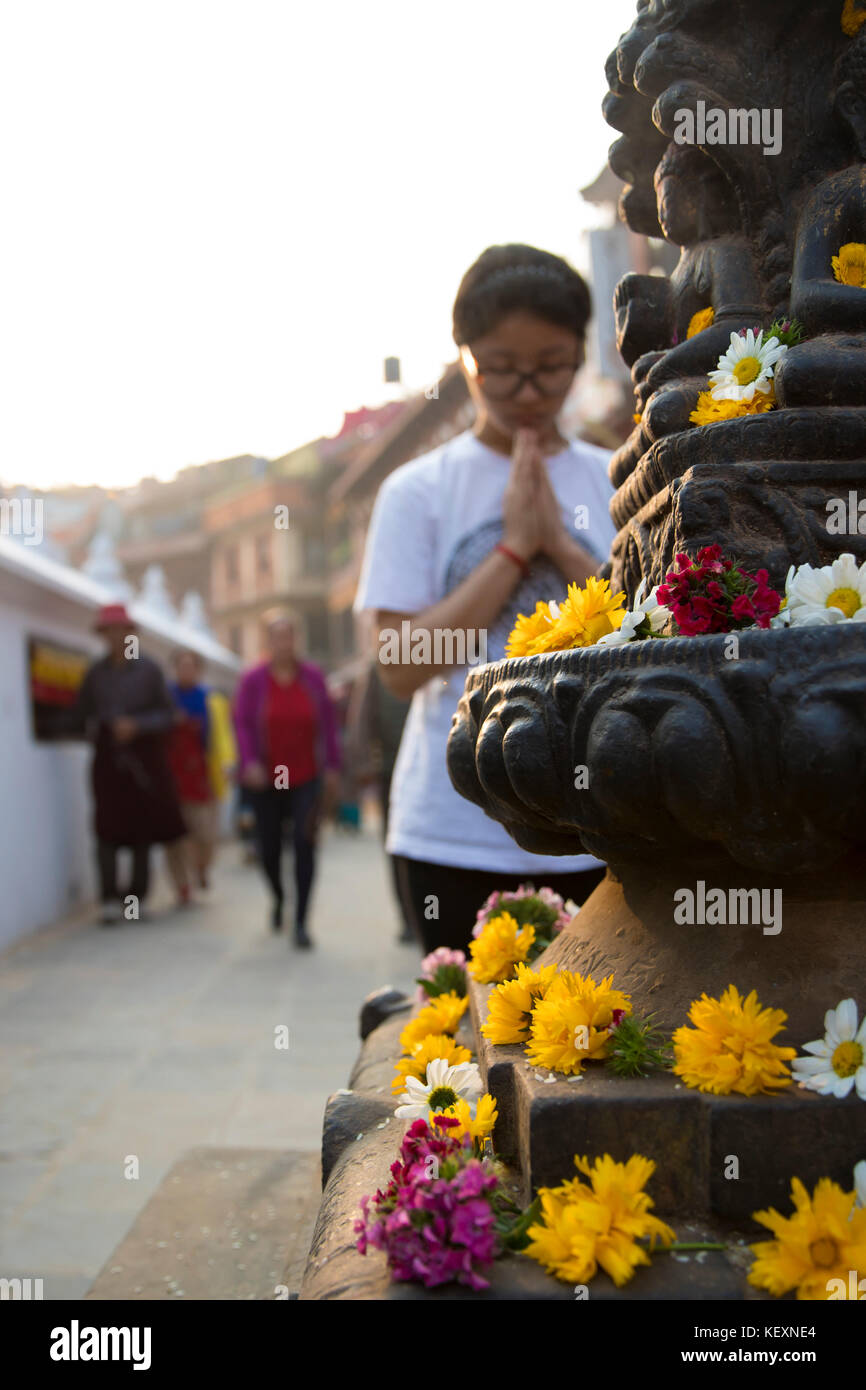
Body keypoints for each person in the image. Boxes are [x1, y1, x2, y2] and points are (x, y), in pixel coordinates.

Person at [354, 243, 617, 952]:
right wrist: (509, 553)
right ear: (465, 356)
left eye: (551, 366)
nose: (528, 391)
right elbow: (402, 666)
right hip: (455, 831)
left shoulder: (617, 478)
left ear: (579, 352)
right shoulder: (418, 492)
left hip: (604, 821)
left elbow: (651, 643)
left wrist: (562, 549)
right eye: (501, 369)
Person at [70, 604, 187, 925]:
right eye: (109, 632)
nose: (115, 637)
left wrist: (137, 725)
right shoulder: (96, 673)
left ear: (129, 633)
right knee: (106, 830)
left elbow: (168, 715)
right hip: (108, 761)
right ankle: (108, 899)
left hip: (144, 763)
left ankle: (134, 903)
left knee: (141, 833)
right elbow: (81, 714)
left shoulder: (148, 670)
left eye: (120, 630)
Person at [232, 610, 340, 947]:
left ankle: (301, 922)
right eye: (277, 637)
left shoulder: (312, 677)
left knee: (305, 847)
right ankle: (279, 898)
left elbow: (329, 725)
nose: (284, 643)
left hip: (305, 776)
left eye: (289, 636)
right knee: (269, 849)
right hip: (268, 779)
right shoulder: (253, 681)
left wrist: (333, 767)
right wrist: (248, 761)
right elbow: (242, 724)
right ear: (268, 642)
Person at [165, 648, 236, 905]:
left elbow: (224, 735)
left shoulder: (212, 700)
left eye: (191, 666)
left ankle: (201, 867)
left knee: (205, 834)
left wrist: (228, 762)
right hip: (172, 778)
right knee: (174, 836)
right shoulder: (166, 698)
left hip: (204, 776)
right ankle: (182, 885)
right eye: (181, 666)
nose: (186, 671)